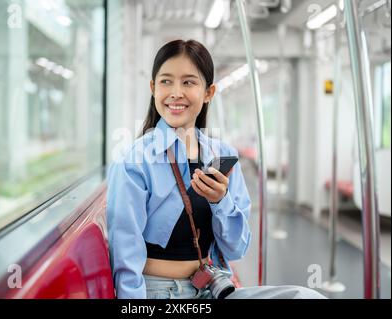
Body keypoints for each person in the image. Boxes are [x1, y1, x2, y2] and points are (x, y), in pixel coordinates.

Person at [106, 39, 325, 299]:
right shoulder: (134, 161)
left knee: (307, 297)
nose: (176, 92)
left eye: (188, 82)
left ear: (208, 92)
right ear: (153, 89)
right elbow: (124, 254)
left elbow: (235, 248)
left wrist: (221, 201)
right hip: (159, 291)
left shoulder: (223, 156)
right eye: (166, 81)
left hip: (212, 287)